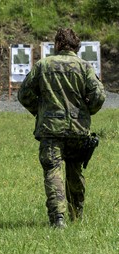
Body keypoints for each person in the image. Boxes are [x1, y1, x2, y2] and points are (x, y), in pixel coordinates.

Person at [18, 28, 106, 229]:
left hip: (50, 129)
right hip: (78, 129)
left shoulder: (43, 65)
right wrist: (86, 111)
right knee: (75, 171)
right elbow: (99, 96)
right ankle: (77, 214)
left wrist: (40, 110)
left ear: (57, 44)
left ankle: (58, 218)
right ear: (77, 47)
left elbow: (24, 94)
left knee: (53, 171)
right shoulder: (84, 67)